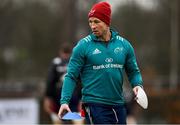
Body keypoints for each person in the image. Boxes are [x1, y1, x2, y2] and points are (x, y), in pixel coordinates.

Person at [58, 1, 144, 124]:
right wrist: (64, 101)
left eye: (97, 22)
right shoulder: (82, 46)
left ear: (107, 22)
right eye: (90, 22)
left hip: (118, 105)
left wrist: (137, 85)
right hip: (94, 105)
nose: (93, 26)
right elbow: (71, 76)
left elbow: (133, 72)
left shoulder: (124, 45)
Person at [43, 44, 81, 124]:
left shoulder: (56, 62)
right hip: (74, 94)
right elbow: (81, 81)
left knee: (59, 118)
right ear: (71, 53)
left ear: (60, 52)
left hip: (59, 95)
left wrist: (47, 97)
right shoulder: (76, 62)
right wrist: (82, 97)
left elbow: (50, 81)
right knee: (76, 117)